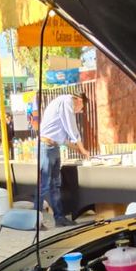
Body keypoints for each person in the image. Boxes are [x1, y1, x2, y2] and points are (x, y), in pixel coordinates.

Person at [38, 93, 91, 226]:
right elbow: (72, 129)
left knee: (55, 185)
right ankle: (33, 221)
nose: (79, 111)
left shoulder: (63, 104)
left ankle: (59, 218)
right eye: (82, 108)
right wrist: (82, 148)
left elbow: (63, 138)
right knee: (44, 185)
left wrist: (77, 149)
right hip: (46, 147)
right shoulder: (66, 102)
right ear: (78, 100)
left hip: (54, 147)